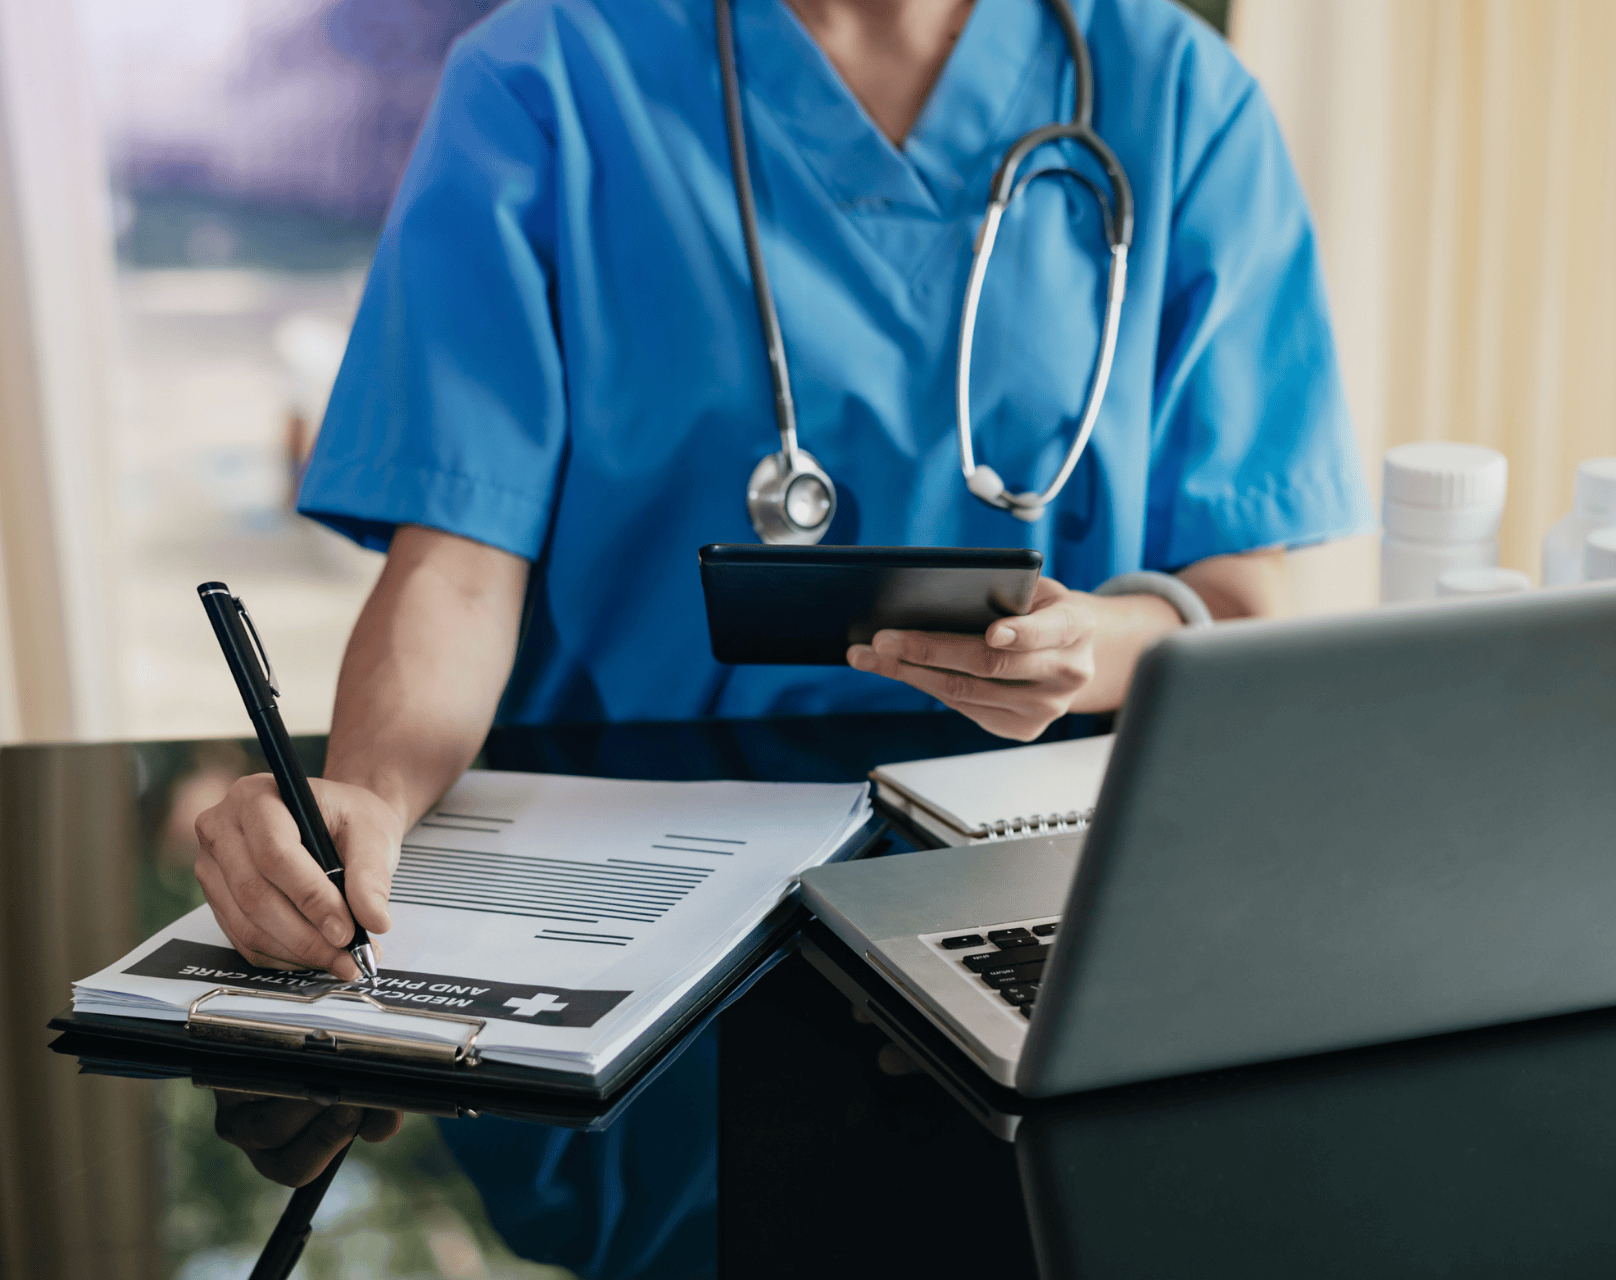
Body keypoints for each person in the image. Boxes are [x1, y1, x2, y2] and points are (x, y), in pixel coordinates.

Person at [193, 0, 1370, 980]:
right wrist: (363, 802)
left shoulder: (1179, 96)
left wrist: (1084, 648)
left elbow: (1235, 594)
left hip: (1044, 884)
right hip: (616, 880)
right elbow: (453, 566)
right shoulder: (544, 75)